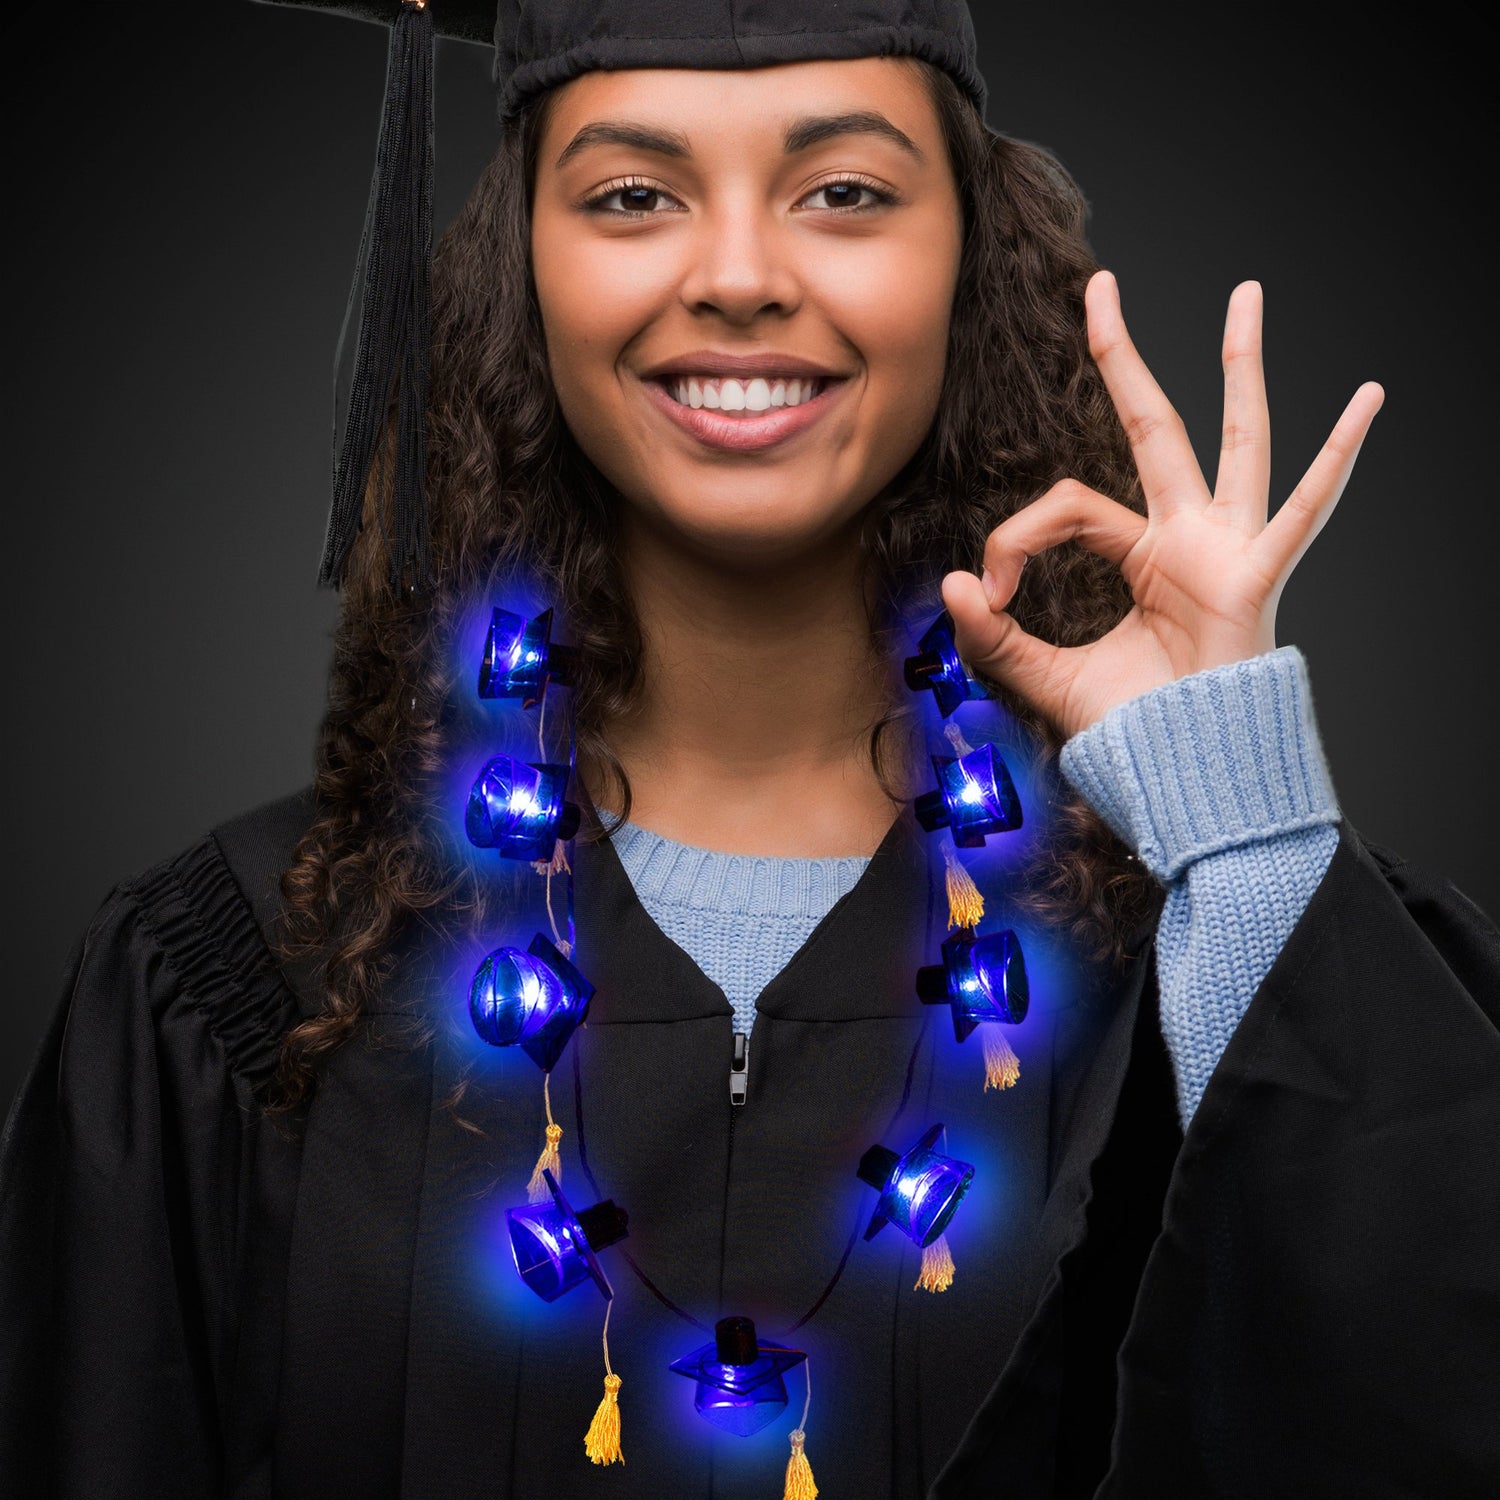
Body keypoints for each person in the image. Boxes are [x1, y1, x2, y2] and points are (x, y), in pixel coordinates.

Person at [2, 2, 1497, 1497]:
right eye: (630, 194)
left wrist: (1233, 826)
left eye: (843, 190)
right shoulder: (260, 985)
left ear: (969, 260)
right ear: (522, 268)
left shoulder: (1171, 951)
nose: (736, 275)